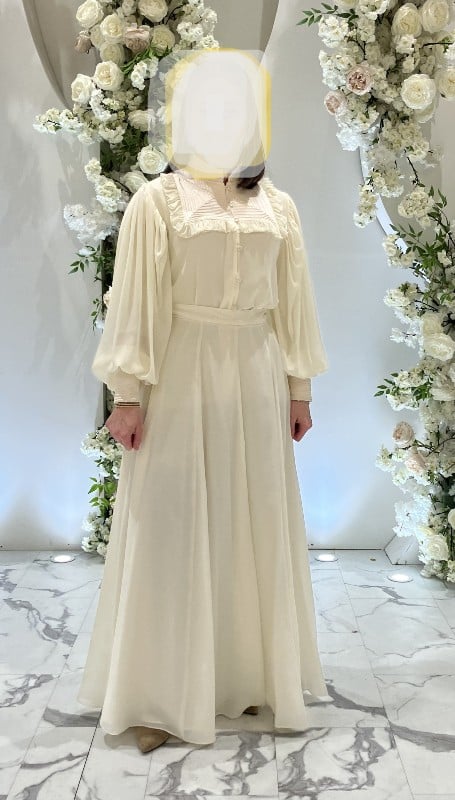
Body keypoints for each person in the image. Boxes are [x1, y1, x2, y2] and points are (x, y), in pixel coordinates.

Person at [76, 159, 331, 753]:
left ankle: (242, 677)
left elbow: (293, 302)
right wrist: (128, 395)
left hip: (257, 371)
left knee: (249, 521)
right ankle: (157, 694)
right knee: (171, 528)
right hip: (180, 370)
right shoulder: (156, 202)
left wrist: (299, 388)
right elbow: (135, 301)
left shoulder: (278, 205)